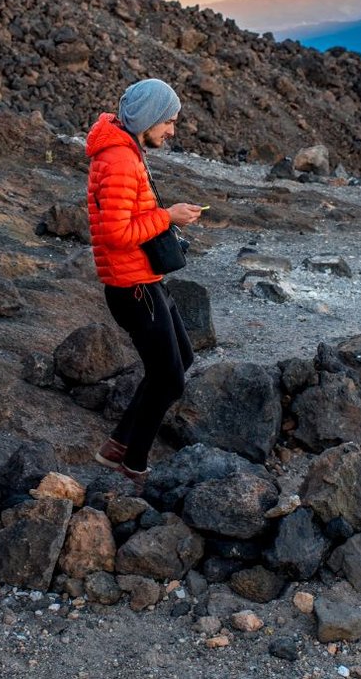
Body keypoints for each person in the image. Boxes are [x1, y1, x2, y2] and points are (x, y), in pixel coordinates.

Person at [85, 78, 205, 486]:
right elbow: (117, 234)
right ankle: (133, 465)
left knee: (180, 361)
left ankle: (118, 444)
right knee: (169, 377)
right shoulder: (119, 159)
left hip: (143, 280)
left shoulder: (126, 151)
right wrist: (168, 217)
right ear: (150, 117)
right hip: (133, 287)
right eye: (168, 121)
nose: (171, 131)